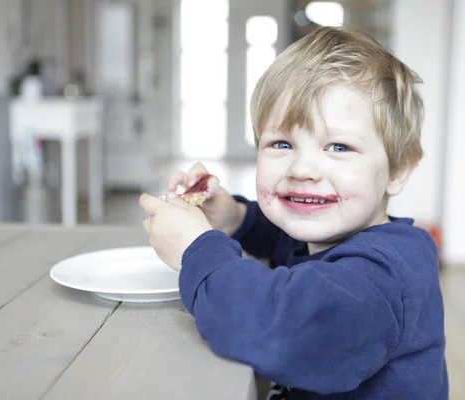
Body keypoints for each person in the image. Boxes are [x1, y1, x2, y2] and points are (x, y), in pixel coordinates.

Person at [140, 25, 447, 399]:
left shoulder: (380, 279)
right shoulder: (334, 235)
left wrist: (197, 249)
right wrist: (235, 217)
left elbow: (277, 329)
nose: (302, 169)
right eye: (281, 143)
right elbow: (286, 241)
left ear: (398, 170)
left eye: (338, 147)